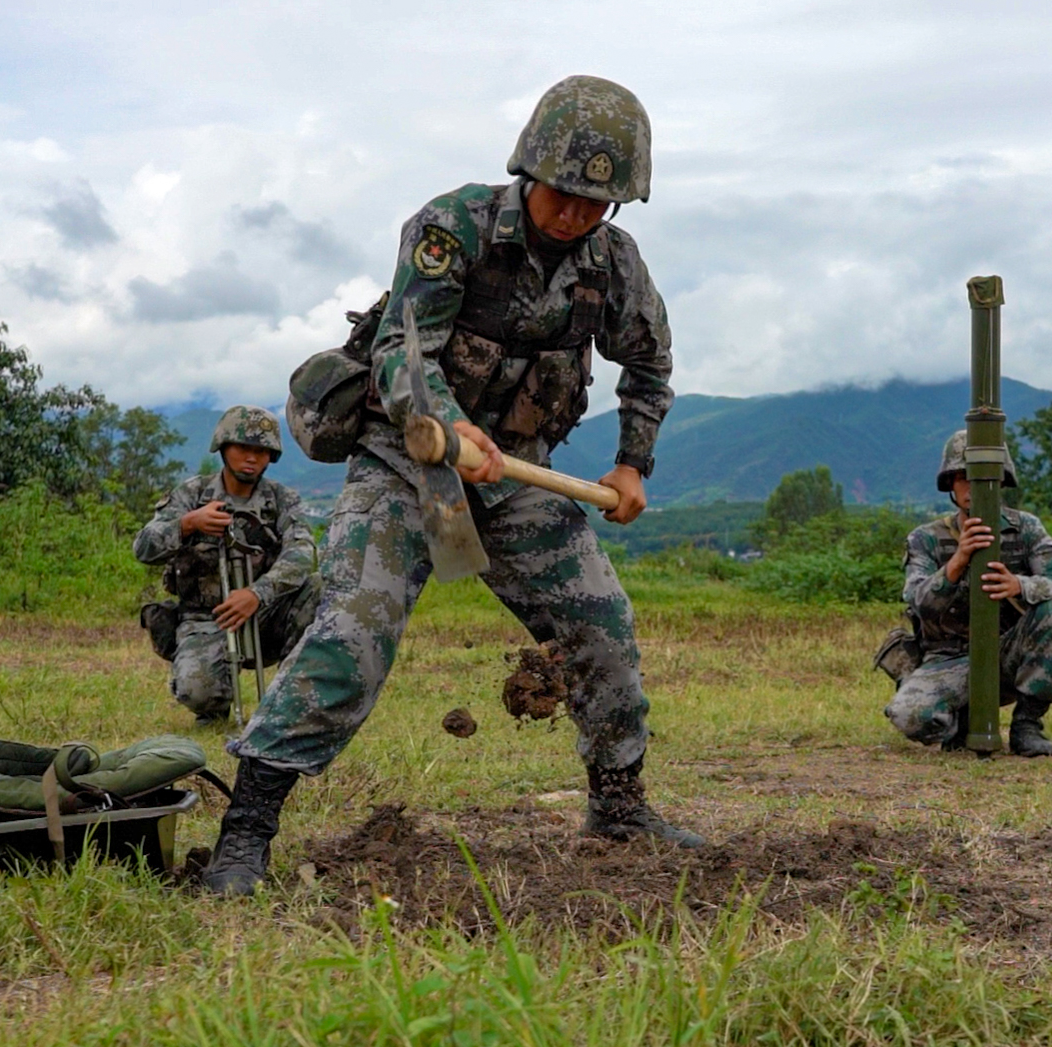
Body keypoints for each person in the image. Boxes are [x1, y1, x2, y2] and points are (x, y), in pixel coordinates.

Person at [202, 75, 700, 897]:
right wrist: (444, 421)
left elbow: (648, 364)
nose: (576, 214)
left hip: (519, 474)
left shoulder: (611, 261)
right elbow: (404, 351)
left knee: (600, 623)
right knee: (351, 637)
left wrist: (631, 463)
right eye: (565, 193)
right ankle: (246, 832)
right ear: (529, 170)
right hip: (409, 461)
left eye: (597, 202)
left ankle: (618, 806)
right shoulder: (452, 227)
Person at [882, 432, 1052, 757]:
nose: (971, 487)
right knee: (910, 716)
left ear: (1000, 481)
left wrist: (1021, 586)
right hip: (948, 659)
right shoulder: (926, 539)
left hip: (1008, 655)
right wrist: (957, 562)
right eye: (962, 477)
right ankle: (959, 719)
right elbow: (917, 601)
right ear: (950, 483)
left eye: (981, 479)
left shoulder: (1024, 529)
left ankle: (1028, 725)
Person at [133, 406, 320, 724]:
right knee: (198, 691)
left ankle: (291, 701)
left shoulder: (282, 499)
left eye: (262, 451)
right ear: (223, 447)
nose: (252, 458)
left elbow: (303, 552)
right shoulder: (192, 495)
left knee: (319, 587)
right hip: (207, 618)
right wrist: (188, 524)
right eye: (243, 448)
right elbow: (144, 547)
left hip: (265, 612)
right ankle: (213, 704)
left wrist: (258, 593)